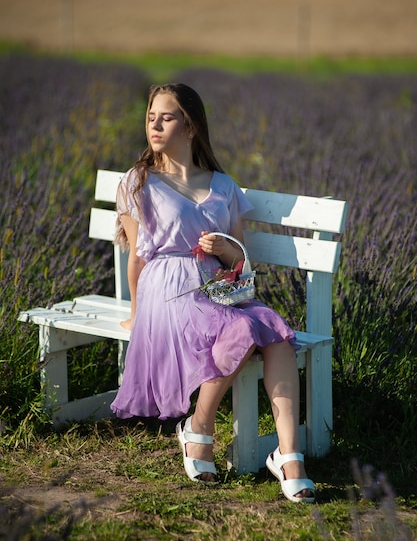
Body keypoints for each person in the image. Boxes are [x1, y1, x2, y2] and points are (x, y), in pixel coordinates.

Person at [111, 83, 315, 503]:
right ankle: (200, 426)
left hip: (219, 292)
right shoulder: (139, 181)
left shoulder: (223, 185)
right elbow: (136, 257)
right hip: (168, 290)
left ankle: (287, 455)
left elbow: (242, 260)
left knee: (277, 335)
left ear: (190, 126)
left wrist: (226, 250)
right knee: (243, 331)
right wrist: (136, 313)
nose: (155, 124)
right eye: (151, 117)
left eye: (166, 117)